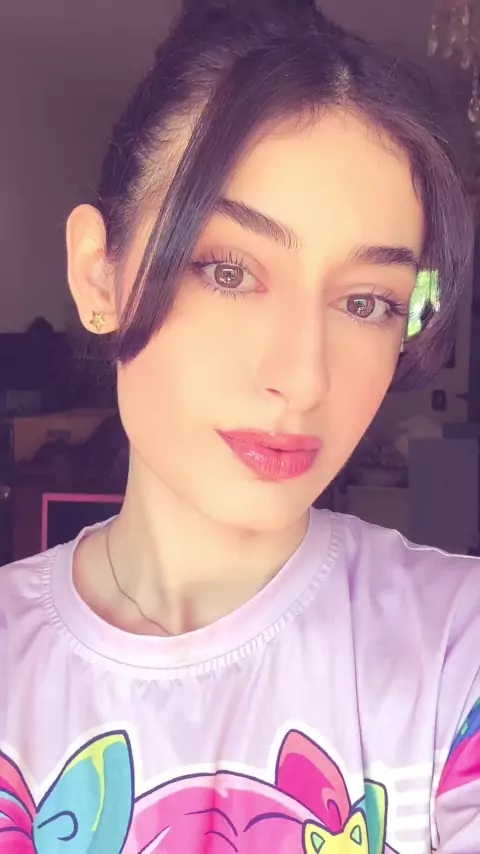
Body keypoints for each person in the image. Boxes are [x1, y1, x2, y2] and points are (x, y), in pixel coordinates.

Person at [1, 0, 478, 851]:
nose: (304, 378)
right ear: (99, 276)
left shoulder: (453, 650)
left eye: (366, 302)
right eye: (227, 271)